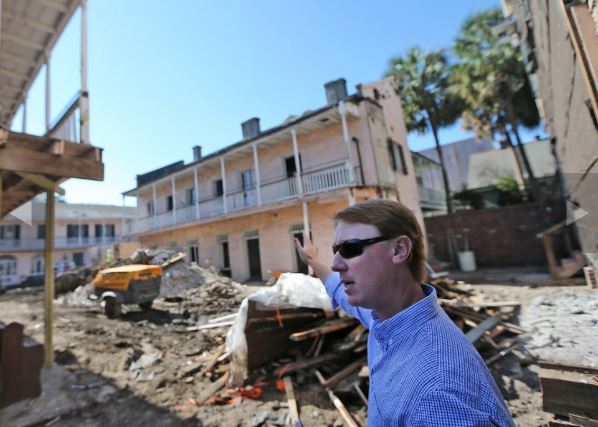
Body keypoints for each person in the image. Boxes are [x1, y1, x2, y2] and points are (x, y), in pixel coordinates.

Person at [294, 199, 514, 426]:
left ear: (399, 249)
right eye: (336, 251)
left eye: (350, 248)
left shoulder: (436, 393)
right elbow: (340, 291)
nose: (336, 264)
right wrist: (312, 260)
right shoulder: (387, 317)